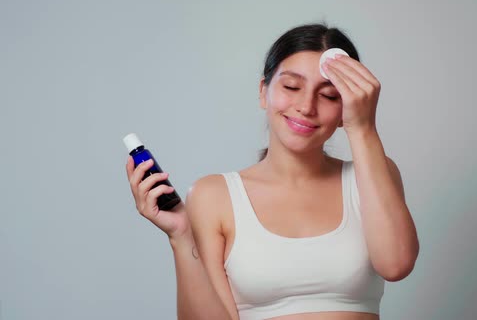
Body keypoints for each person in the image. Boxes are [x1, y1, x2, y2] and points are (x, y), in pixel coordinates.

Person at [126, 23, 419, 320]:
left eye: (329, 95)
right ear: (263, 91)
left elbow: (396, 265)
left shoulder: (371, 176)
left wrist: (363, 128)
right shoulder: (213, 196)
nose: (306, 106)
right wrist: (181, 236)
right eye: (291, 87)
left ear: (347, 107)